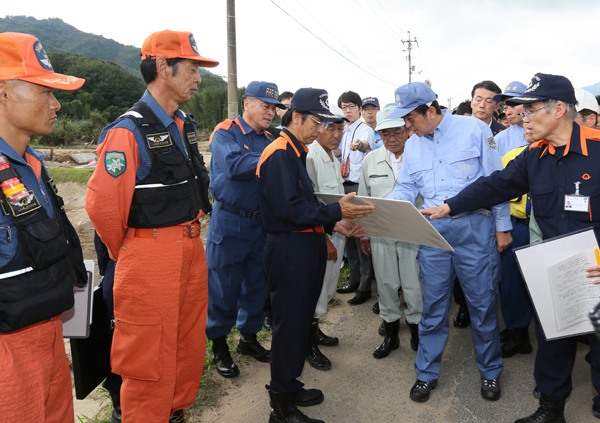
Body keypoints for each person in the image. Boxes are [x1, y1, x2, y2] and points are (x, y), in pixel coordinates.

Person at [420, 72, 600, 423]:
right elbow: (495, 185)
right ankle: (551, 409)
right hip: (556, 264)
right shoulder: (534, 156)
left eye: (530, 109)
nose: (522, 116)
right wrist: (450, 206)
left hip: (595, 268)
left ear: (559, 109)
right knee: (553, 342)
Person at [86, 29, 217, 422]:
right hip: (150, 254)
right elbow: (104, 209)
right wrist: (131, 251)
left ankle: (174, 412)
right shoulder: (127, 131)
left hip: (192, 247)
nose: (198, 78)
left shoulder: (183, 124)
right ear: (164, 67)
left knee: (187, 345)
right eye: (192, 68)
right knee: (149, 356)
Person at [386, 81, 512, 403]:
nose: (406, 126)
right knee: (434, 307)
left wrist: (502, 228)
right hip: (433, 234)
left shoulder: (473, 130)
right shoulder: (413, 145)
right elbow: (406, 188)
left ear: (431, 110)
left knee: (482, 305)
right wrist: (384, 207)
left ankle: (490, 372)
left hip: (474, 230)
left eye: (410, 118)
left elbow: (495, 182)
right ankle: (426, 374)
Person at [256, 87, 373, 423]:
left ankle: (289, 386)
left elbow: (304, 205)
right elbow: (289, 209)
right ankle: (281, 406)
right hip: (289, 249)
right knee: (289, 325)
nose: (321, 129)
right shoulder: (280, 153)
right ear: (296, 118)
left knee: (297, 321)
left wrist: (333, 222)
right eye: (316, 122)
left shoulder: (295, 151)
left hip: (302, 246)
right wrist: (336, 211)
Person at [0, 32, 87, 422]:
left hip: (50, 335)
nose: (56, 104)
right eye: (43, 91)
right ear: (3, 92)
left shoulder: (32, 164)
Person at [206, 81, 285, 378]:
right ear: (247, 103)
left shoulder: (268, 138)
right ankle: (219, 345)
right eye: (265, 105)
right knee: (224, 287)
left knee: (255, 284)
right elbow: (234, 165)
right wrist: (277, 157)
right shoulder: (226, 132)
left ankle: (248, 338)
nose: (270, 112)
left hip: (260, 223)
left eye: (274, 108)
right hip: (229, 222)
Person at [358, 105, 423, 358]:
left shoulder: (420, 157)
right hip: (381, 232)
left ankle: (418, 333)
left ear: (407, 131)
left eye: (396, 132)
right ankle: (392, 334)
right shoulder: (371, 159)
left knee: (413, 283)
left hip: (413, 231)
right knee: (385, 283)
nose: (391, 138)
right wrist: (364, 234)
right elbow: (362, 199)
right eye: (385, 134)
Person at [490, 81, 536, 358]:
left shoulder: (541, 134)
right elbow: (495, 185)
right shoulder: (501, 140)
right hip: (516, 223)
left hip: (542, 221)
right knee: (511, 280)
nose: (507, 109)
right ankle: (518, 331)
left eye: (514, 103)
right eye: (505, 104)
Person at [305, 115, 348, 371]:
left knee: (328, 288)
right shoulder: (311, 157)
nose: (336, 134)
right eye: (330, 128)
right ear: (318, 129)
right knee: (316, 291)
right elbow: (311, 203)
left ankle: (316, 331)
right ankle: (309, 345)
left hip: (338, 232)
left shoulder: (333, 156)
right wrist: (323, 238)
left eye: (340, 129)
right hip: (324, 235)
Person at [335, 91, 376, 305]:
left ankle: (365, 287)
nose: (347, 111)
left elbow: (365, 146)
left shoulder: (365, 130)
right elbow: (342, 154)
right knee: (348, 235)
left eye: (351, 106)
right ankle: (354, 279)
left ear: (359, 108)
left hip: (359, 186)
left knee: (362, 236)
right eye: (344, 107)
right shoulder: (346, 130)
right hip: (345, 185)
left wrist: (358, 145)